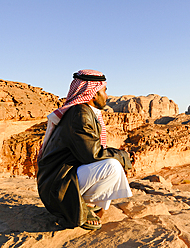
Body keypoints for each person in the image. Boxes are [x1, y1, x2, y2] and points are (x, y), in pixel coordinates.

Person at [37, 69, 133, 230]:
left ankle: (86, 205)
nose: (107, 96)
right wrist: (122, 156)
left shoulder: (84, 111)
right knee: (112, 166)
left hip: (61, 179)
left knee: (112, 163)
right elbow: (92, 154)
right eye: (104, 90)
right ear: (93, 93)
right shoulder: (80, 114)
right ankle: (73, 210)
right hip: (57, 185)